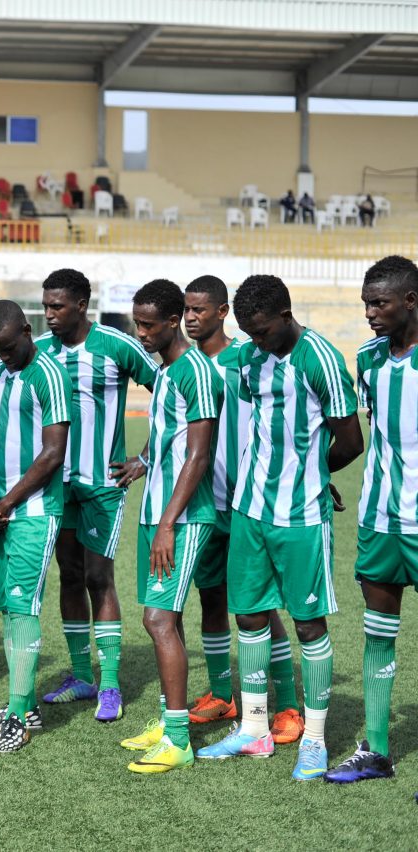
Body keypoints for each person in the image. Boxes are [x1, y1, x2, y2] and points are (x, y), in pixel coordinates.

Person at [198, 274, 363, 781]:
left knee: (308, 623)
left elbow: (351, 441)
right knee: (248, 616)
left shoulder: (323, 360)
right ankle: (253, 728)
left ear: (286, 316)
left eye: (264, 330)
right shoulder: (247, 357)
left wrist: (313, 475)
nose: (257, 340)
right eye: (249, 331)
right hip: (249, 509)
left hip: (301, 517)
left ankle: (313, 738)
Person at [179, 276, 303, 742]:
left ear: (223, 311)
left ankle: (288, 703)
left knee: (260, 605)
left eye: (199, 309)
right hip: (203, 503)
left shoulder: (246, 358)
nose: (191, 317)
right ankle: (221, 695)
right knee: (211, 597)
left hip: (250, 501)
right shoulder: (183, 364)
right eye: (186, 310)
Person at [36, 268, 157, 722]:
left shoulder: (117, 345)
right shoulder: (41, 353)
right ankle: (81, 674)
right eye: (46, 305)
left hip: (103, 484)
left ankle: (109, 684)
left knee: (98, 576)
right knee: (68, 575)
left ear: (81, 305)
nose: (48, 315)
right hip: (56, 484)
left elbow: (167, 393)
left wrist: (144, 457)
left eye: (57, 307)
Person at [117, 280, 221, 774]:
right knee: (168, 619)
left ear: (174, 320)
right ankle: (167, 720)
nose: (140, 332)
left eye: (148, 324)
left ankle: (179, 740)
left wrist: (167, 523)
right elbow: (169, 438)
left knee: (157, 621)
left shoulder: (196, 371)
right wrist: (141, 462)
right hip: (155, 511)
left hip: (181, 517)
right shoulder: (166, 370)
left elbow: (199, 455)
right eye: (136, 322)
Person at [326, 255, 418, 783]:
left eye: (379, 303)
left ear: (410, 300)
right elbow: (361, 436)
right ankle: (376, 750)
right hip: (380, 519)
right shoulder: (369, 358)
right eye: (365, 304)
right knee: (378, 633)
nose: (369, 313)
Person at [0, 300, 71, 754]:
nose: (3, 358)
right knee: (8, 609)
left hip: (32, 511)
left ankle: (17, 716)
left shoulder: (49, 374)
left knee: (23, 606)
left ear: (27, 331)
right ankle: (22, 704)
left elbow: (53, 453)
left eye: (9, 348)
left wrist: (6, 503)